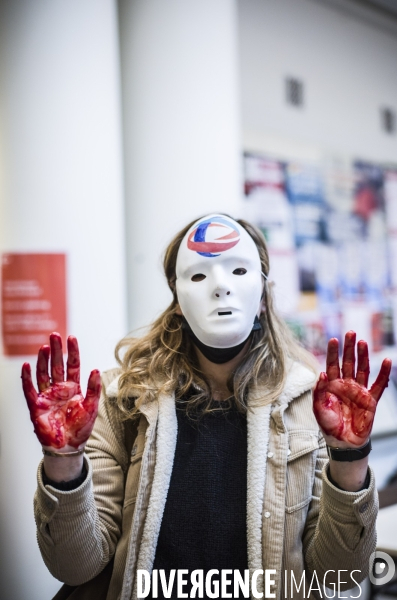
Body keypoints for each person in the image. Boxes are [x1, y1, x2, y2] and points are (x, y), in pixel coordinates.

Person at [22, 214, 391, 600]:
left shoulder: (312, 408)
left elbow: (337, 575)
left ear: (263, 296)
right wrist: (63, 464)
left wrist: (350, 459)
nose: (220, 288)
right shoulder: (120, 401)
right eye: (198, 276)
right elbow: (74, 566)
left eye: (237, 271)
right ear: (177, 300)